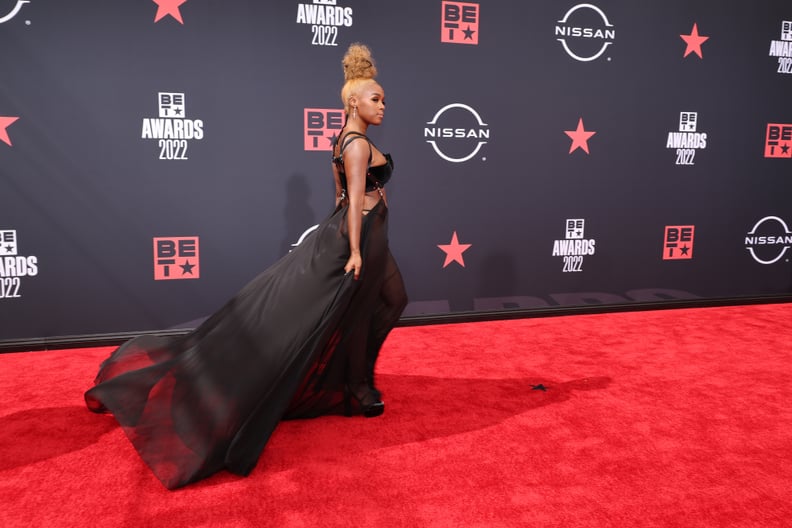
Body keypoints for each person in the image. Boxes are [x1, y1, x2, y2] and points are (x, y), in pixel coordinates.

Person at [84, 43, 407, 490]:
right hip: (364, 234)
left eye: (384, 99)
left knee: (386, 302)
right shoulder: (356, 146)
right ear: (354, 101)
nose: (383, 106)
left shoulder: (344, 140)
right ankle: (357, 384)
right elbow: (351, 202)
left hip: (371, 232)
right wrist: (353, 248)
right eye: (376, 99)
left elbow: (336, 196)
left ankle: (357, 381)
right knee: (380, 303)